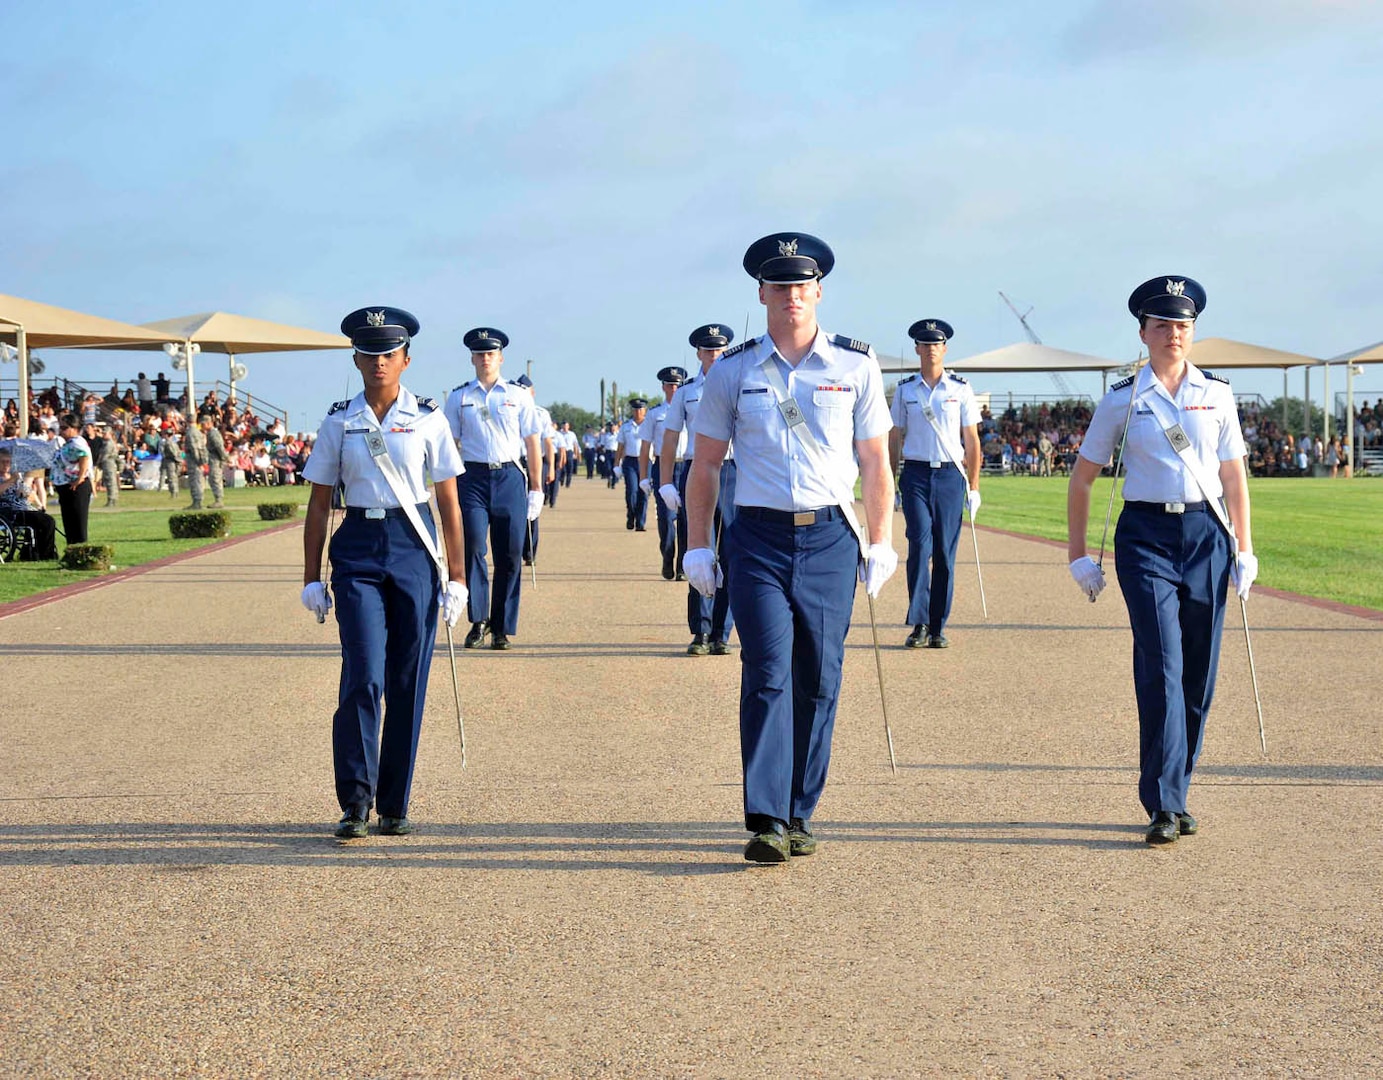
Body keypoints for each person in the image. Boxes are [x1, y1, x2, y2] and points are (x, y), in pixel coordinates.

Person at [684, 232, 896, 863]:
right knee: (769, 672)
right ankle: (768, 815)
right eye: (781, 286)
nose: (792, 296)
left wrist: (881, 541)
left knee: (820, 679)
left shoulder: (855, 366)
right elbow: (705, 467)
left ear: (819, 291)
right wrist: (698, 545)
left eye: (802, 285)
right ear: (762, 293)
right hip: (758, 539)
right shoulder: (734, 370)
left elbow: (876, 460)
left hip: (830, 538)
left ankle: (801, 807)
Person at [1067, 276, 1255, 846]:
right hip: (1145, 535)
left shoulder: (1217, 393)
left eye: (1184, 324)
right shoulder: (1123, 397)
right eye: (1163, 324)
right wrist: (1078, 556)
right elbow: (1083, 478)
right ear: (1143, 332)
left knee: (1198, 673)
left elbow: (1233, 476)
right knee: (1163, 664)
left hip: (1206, 534)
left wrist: (1245, 548)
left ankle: (1176, 783)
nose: (1174, 333)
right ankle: (1165, 803)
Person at [301, 306, 466, 839]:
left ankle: (394, 802)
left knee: (407, 679)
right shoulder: (338, 421)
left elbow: (448, 501)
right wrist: (311, 575)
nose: (379, 363)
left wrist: (458, 577)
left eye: (388, 354)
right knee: (364, 674)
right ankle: (355, 801)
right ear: (356, 359)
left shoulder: (428, 417)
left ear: (406, 360)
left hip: (412, 546)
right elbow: (320, 502)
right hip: (357, 551)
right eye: (369, 355)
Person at [443, 328, 544, 651]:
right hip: (472, 477)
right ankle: (478, 620)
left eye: (491, 354)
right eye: (480, 354)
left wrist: (537, 487)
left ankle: (501, 625)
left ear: (500, 358)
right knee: (473, 545)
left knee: (511, 553)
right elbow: (450, 445)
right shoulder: (459, 397)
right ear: (472, 358)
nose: (485, 359)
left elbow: (532, 442)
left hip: (510, 477)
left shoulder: (517, 396)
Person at [888, 319, 981, 649]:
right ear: (917, 348)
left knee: (944, 553)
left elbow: (971, 439)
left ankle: (939, 624)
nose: (930, 349)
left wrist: (974, 486)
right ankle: (919, 622)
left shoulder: (961, 389)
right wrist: (891, 482)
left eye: (935, 344)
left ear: (944, 348)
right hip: (915, 475)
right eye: (924, 344)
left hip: (949, 476)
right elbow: (895, 435)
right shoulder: (905, 390)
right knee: (919, 548)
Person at [661, 324, 738, 654]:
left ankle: (722, 630)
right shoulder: (686, 392)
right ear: (698, 353)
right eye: (708, 350)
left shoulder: (740, 382)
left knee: (732, 553)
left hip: (734, 471)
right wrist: (665, 480)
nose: (714, 355)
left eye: (719, 350)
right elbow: (670, 438)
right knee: (698, 550)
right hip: (696, 470)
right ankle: (701, 630)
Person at [638, 366, 687, 580]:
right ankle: (668, 556)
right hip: (662, 466)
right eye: (670, 385)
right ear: (663, 387)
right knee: (666, 518)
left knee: (687, 518)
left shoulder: (692, 407)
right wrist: (643, 476)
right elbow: (645, 446)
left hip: (687, 465)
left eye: (677, 384)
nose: (674, 388)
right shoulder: (655, 414)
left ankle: (682, 566)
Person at [0, 447, 59, 560]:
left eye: (8, 462)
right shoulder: (10, 478)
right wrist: (11, 481)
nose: (6, 465)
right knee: (47, 521)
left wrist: (25, 491)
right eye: (3, 462)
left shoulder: (15, 476)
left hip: (24, 507)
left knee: (46, 521)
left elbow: (30, 495)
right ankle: (46, 554)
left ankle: (34, 553)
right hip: (9, 511)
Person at [51, 413, 93, 545]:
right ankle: (72, 549)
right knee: (69, 522)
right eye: (60, 427)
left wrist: (80, 478)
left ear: (74, 428)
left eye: (64, 428)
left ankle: (80, 550)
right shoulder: (69, 443)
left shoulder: (76, 443)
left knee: (77, 522)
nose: (61, 431)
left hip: (76, 486)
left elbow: (84, 457)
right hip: (66, 486)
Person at [619, 400, 649, 531]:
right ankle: (631, 514)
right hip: (630, 461)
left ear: (645, 411)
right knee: (632, 491)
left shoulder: (649, 425)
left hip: (646, 461)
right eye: (635, 409)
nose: (638, 412)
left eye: (640, 409)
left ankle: (640, 522)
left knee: (644, 492)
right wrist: (616, 464)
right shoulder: (626, 427)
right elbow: (620, 445)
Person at [184, 416, 208, 509]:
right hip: (198, 458)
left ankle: (197, 501)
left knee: (195, 479)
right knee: (199, 479)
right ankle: (198, 500)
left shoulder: (191, 432)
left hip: (193, 459)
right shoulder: (198, 432)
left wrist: (198, 461)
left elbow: (194, 448)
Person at [205, 415, 229, 507]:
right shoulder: (210, 433)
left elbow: (219, 446)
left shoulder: (213, 433)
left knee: (215, 478)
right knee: (213, 479)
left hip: (216, 458)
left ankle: (218, 500)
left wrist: (224, 457)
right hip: (213, 458)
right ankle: (217, 499)